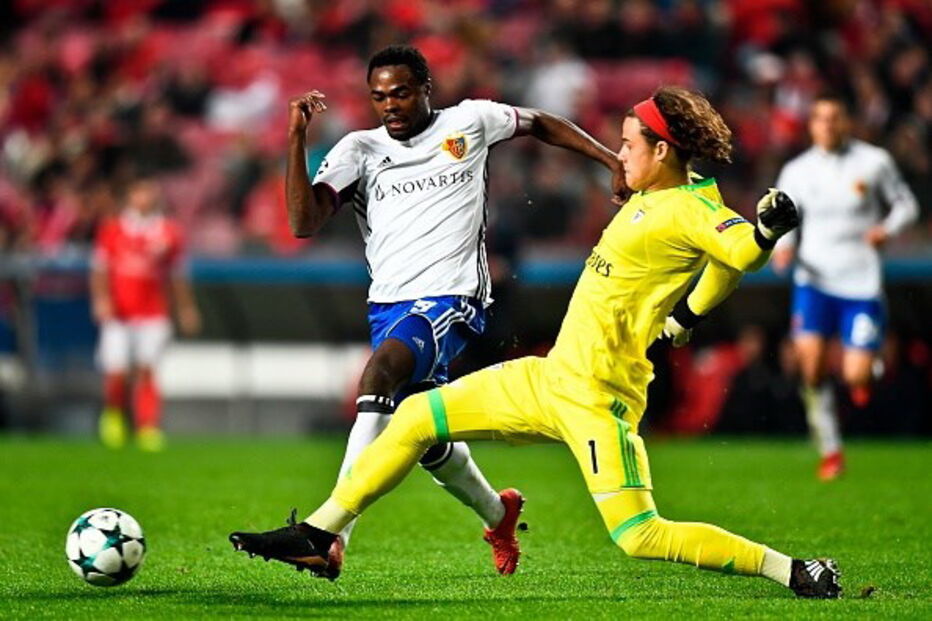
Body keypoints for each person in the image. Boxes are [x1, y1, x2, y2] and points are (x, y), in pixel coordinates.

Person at [230, 87, 841, 599]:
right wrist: (687, 316)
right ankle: (320, 533)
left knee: (638, 536)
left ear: (661, 150)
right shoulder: (653, 197)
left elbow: (736, 252)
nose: (618, 153)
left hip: (598, 400)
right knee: (415, 415)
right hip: (549, 378)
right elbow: (721, 266)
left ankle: (789, 570)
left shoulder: (687, 208)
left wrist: (763, 232)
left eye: (628, 144)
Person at [281, 45, 624, 578]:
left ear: (425, 89)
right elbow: (304, 224)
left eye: (400, 93)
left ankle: (327, 535)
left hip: (453, 298)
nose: (389, 106)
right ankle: (498, 511)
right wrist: (295, 140)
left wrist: (611, 163)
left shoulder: (471, 120)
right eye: (378, 97)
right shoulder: (359, 150)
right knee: (422, 434)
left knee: (380, 376)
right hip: (388, 305)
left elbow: (542, 124)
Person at [772, 93, 918, 481]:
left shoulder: (873, 162)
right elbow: (784, 219)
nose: (828, 125)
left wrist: (886, 230)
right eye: (820, 118)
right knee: (812, 368)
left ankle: (870, 368)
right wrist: (784, 249)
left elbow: (907, 205)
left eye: (834, 118)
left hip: (860, 283)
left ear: (846, 122)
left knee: (855, 375)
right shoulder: (797, 171)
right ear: (811, 125)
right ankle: (831, 450)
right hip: (813, 281)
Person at [91, 177, 200, 452]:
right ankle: (114, 414)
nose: (144, 197)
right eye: (139, 191)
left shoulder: (169, 232)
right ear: (130, 196)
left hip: (153, 312)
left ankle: (148, 426)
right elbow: (100, 269)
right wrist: (101, 299)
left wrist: (186, 308)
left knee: (147, 369)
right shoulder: (112, 230)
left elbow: (178, 275)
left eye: (149, 191)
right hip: (119, 313)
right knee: (117, 370)